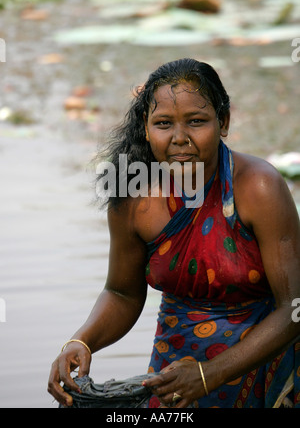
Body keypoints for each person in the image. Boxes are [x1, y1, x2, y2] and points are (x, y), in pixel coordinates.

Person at [48, 58, 300, 408]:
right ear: (147, 128)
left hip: (268, 373)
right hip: (174, 375)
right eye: (164, 124)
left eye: (196, 122)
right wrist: (82, 342)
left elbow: (293, 309)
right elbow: (121, 293)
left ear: (223, 122)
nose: (180, 139)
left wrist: (210, 373)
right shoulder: (132, 198)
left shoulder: (258, 187)